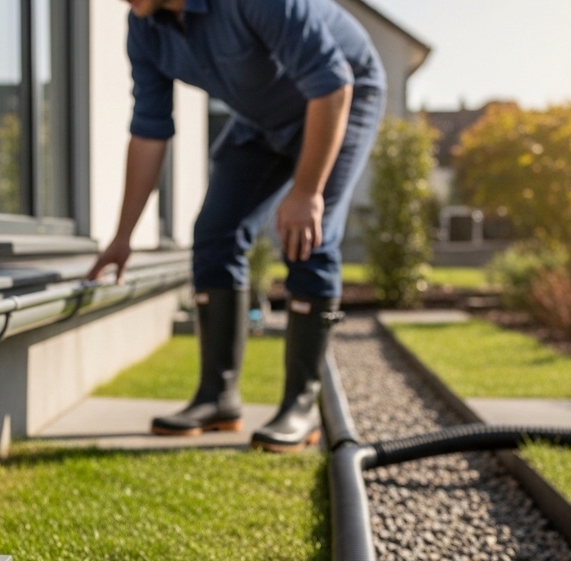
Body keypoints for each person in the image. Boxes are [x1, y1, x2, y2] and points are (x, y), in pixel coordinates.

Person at [87, 0, 386, 452]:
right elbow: (149, 131)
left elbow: (332, 83)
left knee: (309, 237)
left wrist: (307, 191)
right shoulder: (145, 28)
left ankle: (300, 407)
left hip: (341, 95)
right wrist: (122, 236)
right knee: (215, 232)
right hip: (262, 118)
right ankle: (217, 398)